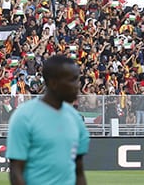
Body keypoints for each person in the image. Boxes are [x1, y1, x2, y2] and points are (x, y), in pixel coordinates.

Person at [6, 55, 89, 185]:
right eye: (72, 80)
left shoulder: (76, 119)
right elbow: (16, 172)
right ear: (53, 83)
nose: (77, 86)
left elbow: (79, 172)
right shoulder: (24, 116)